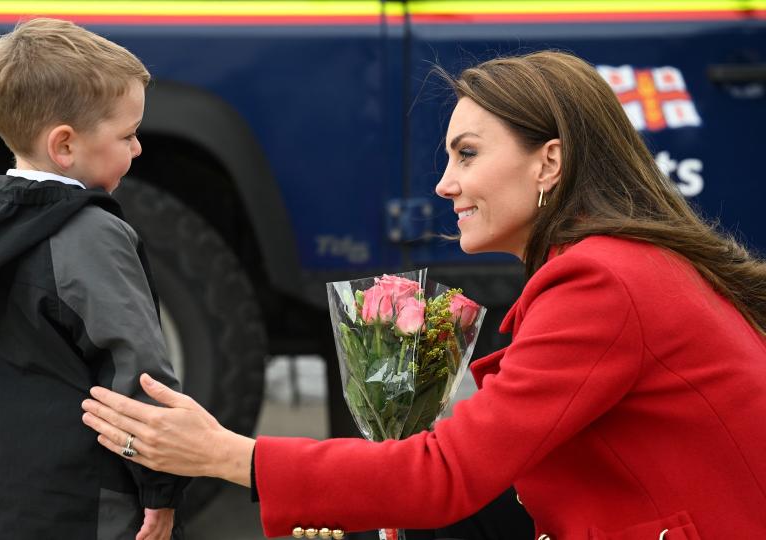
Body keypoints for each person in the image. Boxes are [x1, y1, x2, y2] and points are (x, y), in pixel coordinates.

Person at [80, 50, 766, 539]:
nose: (444, 183)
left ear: (548, 162)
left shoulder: (602, 281)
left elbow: (446, 477)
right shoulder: (616, 265)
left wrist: (225, 453)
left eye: (467, 154)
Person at [0, 18, 186, 540]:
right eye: (128, 135)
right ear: (64, 145)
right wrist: (160, 489)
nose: (137, 149)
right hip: (91, 504)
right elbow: (138, 371)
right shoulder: (89, 234)